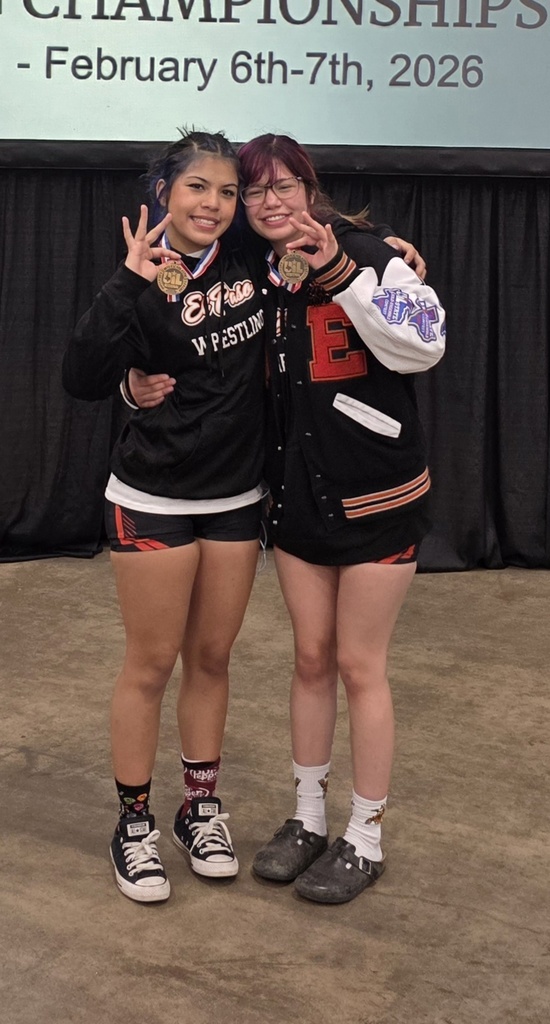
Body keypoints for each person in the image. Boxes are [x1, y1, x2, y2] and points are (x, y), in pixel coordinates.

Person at [129, 133, 445, 905]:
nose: (270, 203)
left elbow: (423, 346)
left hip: (378, 498)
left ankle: (364, 836)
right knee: (309, 660)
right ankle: (306, 819)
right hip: (298, 503)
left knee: (359, 666)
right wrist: (134, 384)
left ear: (311, 188)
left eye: (285, 187)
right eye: (255, 190)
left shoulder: (369, 254)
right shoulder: (254, 269)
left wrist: (357, 267)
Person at [62, 129, 269, 903]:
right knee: (150, 664)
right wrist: (126, 283)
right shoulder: (143, 274)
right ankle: (134, 823)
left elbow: (317, 226)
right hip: (152, 495)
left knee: (211, 658)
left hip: (236, 499)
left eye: (225, 191)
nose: (213, 204)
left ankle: (201, 809)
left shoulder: (252, 257)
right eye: (197, 189)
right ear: (164, 194)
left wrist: (388, 247)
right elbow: (81, 376)